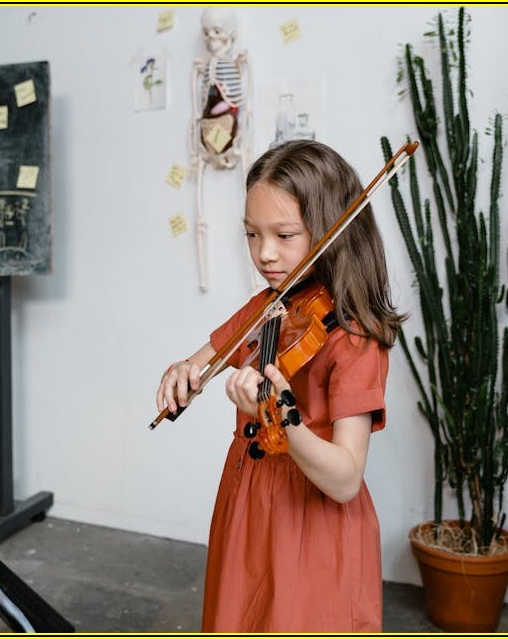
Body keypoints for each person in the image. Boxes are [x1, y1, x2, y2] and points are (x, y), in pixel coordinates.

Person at [155, 139, 404, 632]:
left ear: (333, 228)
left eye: (284, 235)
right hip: (249, 503)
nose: (264, 254)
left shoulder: (354, 339)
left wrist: (282, 418)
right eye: (251, 235)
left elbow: (345, 478)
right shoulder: (271, 303)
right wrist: (183, 370)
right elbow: (203, 362)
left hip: (310, 519)